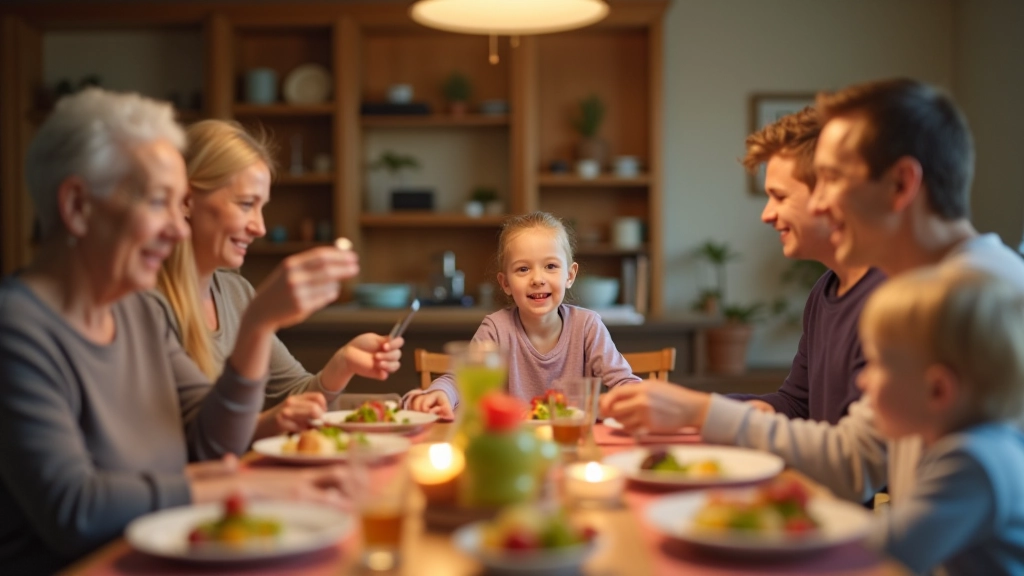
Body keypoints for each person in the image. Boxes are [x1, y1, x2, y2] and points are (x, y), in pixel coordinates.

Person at [601, 78, 1024, 508]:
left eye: (832, 179)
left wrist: (699, 412)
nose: (821, 204)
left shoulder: (977, 299)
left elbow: (854, 465)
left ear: (900, 185)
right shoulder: (933, 289)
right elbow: (836, 435)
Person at [0, 89, 352, 574]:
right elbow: (75, 511)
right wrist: (239, 486)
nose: (179, 229)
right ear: (78, 207)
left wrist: (254, 327)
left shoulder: (138, 315)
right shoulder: (16, 328)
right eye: (159, 202)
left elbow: (212, 441)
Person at [153, 119, 403, 438]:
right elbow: (185, 443)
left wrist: (342, 365)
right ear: (187, 200)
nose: (260, 228)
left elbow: (294, 396)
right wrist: (266, 424)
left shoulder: (236, 292)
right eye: (246, 205)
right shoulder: (146, 306)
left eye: (261, 208)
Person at [855, 268, 1024, 574]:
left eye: (875, 363)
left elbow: (880, 551)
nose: (861, 380)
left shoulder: (972, 461)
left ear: (938, 389)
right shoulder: (985, 444)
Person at [727, 106, 885, 424]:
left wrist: (704, 413)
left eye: (780, 197)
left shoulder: (889, 301)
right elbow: (797, 404)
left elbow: (862, 459)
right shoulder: (824, 291)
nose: (767, 215)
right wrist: (696, 406)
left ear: (829, 194)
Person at [407, 211, 639, 419]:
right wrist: (439, 394)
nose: (537, 279)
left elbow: (622, 381)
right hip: (510, 444)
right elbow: (459, 379)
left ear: (569, 275)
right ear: (505, 283)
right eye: (523, 269)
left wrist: (631, 399)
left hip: (573, 442)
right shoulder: (496, 328)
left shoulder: (587, 326)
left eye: (550, 266)